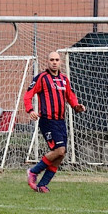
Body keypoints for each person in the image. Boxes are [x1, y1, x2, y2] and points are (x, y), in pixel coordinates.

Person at [23, 51, 86, 192]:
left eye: (57, 59)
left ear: (60, 62)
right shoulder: (41, 78)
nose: (54, 62)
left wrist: (77, 106)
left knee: (61, 154)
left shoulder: (64, 79)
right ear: (48, 61)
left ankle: (42, 184)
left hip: (60, 122)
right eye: (52, 59)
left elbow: (70, 96)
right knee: (59, 150)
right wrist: (30, 110)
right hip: (47, 120)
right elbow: (28, 95)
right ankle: (33, 171)